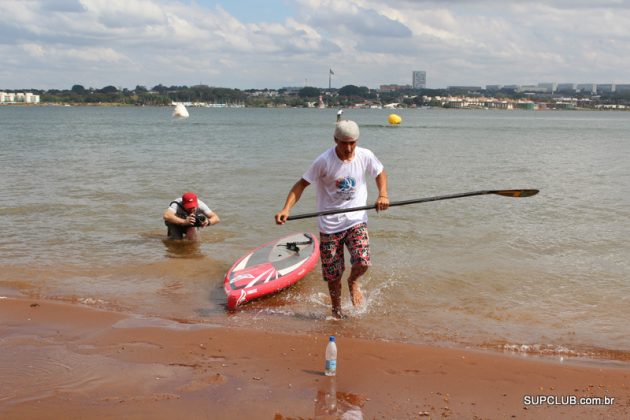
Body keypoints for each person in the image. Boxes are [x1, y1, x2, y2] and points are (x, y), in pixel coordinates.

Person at [275, 120, 389, 318]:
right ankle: (336, 311)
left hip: (356, 220)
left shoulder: (365, 155)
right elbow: (301, 185)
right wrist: (286, 209)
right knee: (333, 275)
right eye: (343, 143)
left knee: (362, 261)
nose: (348, 148)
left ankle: (353, 282)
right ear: (335, 140)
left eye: (352, 142)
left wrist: (383, 195)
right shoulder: (324, 161)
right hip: (330, 225)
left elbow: (380, 173)